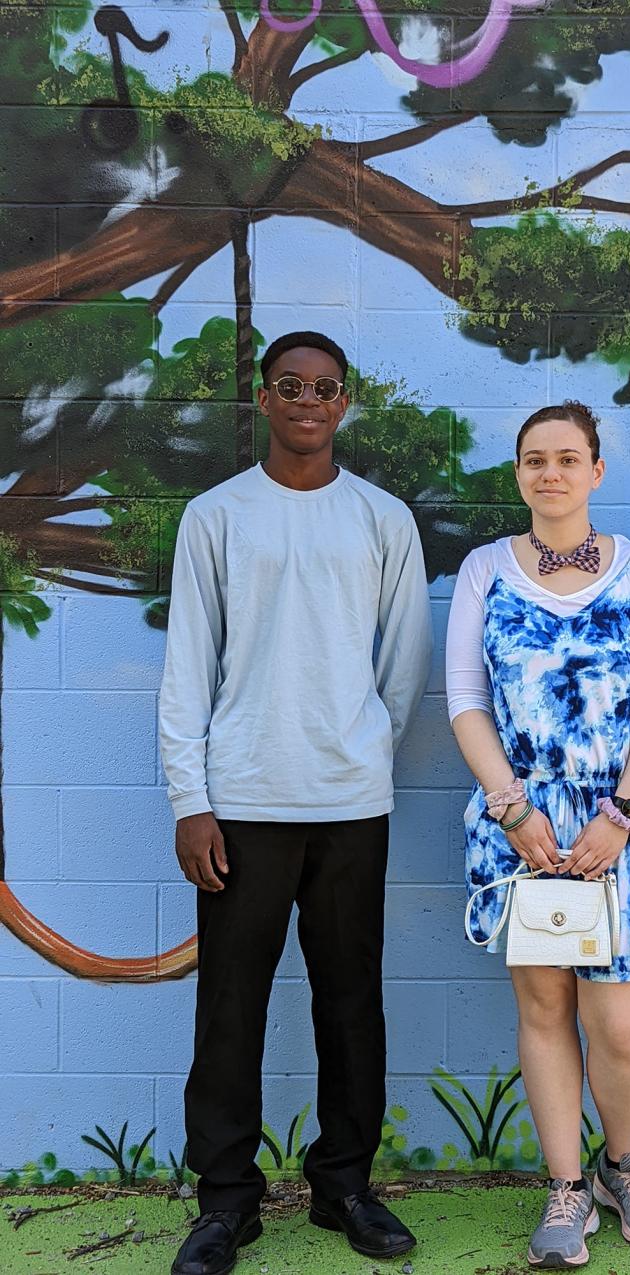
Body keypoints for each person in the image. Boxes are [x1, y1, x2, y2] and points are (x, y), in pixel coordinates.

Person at [159, 331, 432, 1275]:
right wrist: (192, 798)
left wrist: (358, 747)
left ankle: (344, 1186)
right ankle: (226, 1204)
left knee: (351, 999)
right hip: (240, 804)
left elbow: (402, 668)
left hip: (352, 802)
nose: (308, 400)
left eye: (325, 388)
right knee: (229, 1007)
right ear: (264, 399)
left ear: (344, 404)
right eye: (291, 385)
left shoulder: (382, 518)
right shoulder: (217, 516)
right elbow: (187, 666)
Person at [446, 402, 630, 1269]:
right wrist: (512, 810)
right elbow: (466, 701)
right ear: (519, 473)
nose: (550, 473)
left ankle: (626, 1167)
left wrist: (620, 815)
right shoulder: (484, 571)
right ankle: (565, 1185)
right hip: (524, 829)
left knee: (618, 1022)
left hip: (620, 826)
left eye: (567, 458)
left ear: (595, 471)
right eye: (534, 460)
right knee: (544, 1008)